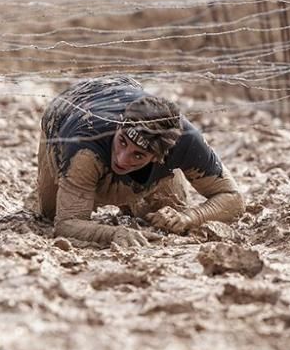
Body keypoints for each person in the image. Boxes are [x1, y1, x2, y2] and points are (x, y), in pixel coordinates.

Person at [35, 76, 244, 247]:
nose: (122, 159)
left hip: (126, 110)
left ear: (159, 157)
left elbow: (232, 199)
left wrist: (191, 217)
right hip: (66, 110)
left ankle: (133, 194)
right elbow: (65, 224)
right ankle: (71, 183)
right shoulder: (85, 143)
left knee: (166, 216)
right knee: (48, 214)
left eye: (138, 155)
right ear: (119, 126)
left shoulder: (186, 142)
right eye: (122, 142)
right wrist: (111, 233)